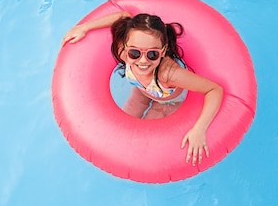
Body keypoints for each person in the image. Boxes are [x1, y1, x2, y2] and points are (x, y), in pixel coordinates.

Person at [62, 12, 223, 165]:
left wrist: (199, 129)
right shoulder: (124, 52)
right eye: (134, 53)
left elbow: (214, 90)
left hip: (168, 100)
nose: (143, 61)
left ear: (163, 51)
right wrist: (85, 27)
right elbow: (123, 16)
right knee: (119, 130)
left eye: (152, 54)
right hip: (142, 90)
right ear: (125, 47)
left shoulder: (169, 74)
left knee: (143, 136)